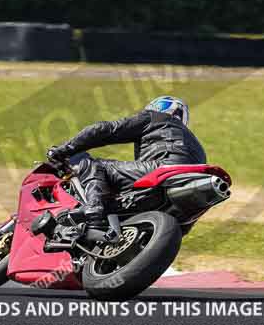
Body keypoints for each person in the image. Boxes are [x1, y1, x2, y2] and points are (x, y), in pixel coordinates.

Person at [47, 96, 206, 227]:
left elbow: (103, 130)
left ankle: (93, 206)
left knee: (95, 165)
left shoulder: (156, 117)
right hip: (182, 197)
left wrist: (64, 150)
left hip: (163, 170)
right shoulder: (198, 147)